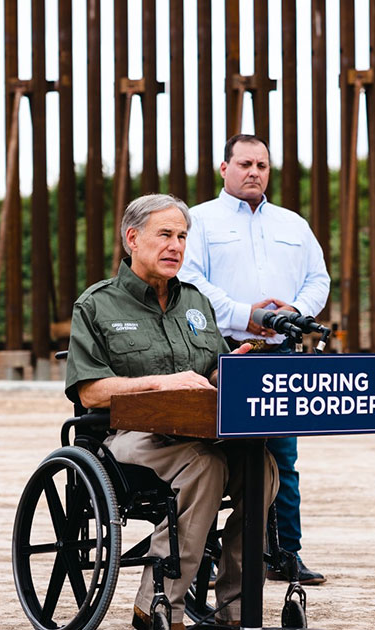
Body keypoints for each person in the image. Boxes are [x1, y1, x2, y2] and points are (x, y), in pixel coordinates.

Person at [64, 193, 279, 630]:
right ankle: (159, 606)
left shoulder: (197, 303)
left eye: (182, 236)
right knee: (204, 468)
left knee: (263, 468)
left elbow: (213, 374)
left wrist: (234, 369)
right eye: (164, 234)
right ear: (132, 238)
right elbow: (89, 391)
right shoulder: (97, 304)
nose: (176, 245)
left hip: (200, 429)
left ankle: (237, 612)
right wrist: (160, 382)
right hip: (128, 436)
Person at [178, 134, 331, 585]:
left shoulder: (292, 224)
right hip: (222, 353)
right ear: (223, 168)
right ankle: (209, 557)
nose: (254, 172)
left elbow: (318, 279)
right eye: (244, 163)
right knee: (214, 456)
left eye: (262, 165)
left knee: (283, 458)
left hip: (279, 354)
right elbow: (192, 284)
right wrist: (250, 315)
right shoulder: (198, 221)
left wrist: (291, 315)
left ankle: (285, 554)